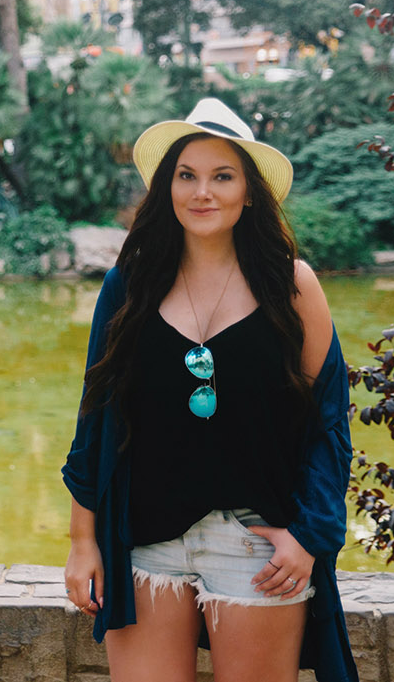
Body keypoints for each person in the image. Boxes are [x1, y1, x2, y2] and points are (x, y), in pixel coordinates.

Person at [62, 98, 356, 682]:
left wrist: (310, 536)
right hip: (144, 542)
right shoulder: (130, 285)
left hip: (256, 545)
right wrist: (81, 541)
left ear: (249, 192)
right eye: (187, 175)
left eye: (223, 176)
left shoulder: (291, 285)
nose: (203, 192)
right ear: (167, 189)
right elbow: (97, 419)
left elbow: (329, 422)